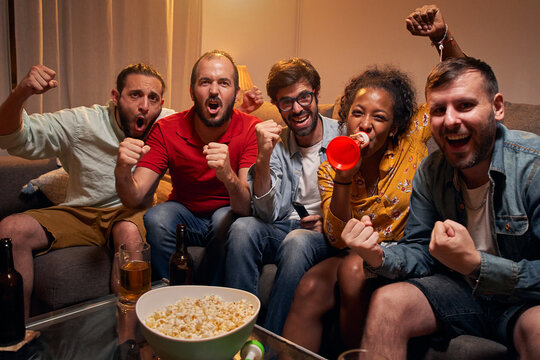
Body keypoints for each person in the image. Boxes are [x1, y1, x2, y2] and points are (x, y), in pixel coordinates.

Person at [281, 5, 465, 354]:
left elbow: (455, 82)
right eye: (357, 113)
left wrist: (441, 37)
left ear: (394, 126)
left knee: (352, 269)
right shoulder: (329, 169)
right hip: (356, 251)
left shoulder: (411, 140)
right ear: (344, 117)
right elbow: (336, 238)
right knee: (309, 288)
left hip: (407, 253)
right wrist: (344, 180)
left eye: (379, 117)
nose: (365, 124)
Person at [345, 57, 540, 359]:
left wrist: (477, 264)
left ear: (497, 108)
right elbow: (420, 249)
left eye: (465, 106)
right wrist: (377, 256)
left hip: (523, 301)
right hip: (460, 292)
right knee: (387, 301)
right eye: (438, 110)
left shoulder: (533, 167)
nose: (449, 120)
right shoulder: (430, 170)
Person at [0, 63, 173, 318]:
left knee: (128, 233)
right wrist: (21, 93)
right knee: (11, 230)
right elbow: (10, 138)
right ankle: (18, 338)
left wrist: (243, 110)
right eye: (135, 95)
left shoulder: (167, 121)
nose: (144, 106)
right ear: (115, 97)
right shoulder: (82, 123)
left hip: (130, 212)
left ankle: (129, 336)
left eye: (153, 98)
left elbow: (207, 128)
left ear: (161, 103)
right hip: (81, 212)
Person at [114, 50, 262, 284]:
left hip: (228, 214)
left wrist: (227, 176)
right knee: (157, 216)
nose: (214, 90)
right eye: (205, 82)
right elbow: (134, 197)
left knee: (225, 217)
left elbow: (246, 208)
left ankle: (208, 295)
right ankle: (170, 294)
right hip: (185, 215)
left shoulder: (252, 129)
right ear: (192, 92)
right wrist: (122, 169)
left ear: (235, 94)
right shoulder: (167, 129)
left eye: (224, 83)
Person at [220, 57, 341, 335]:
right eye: (286, 102)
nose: (297, 109)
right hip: (283, 225)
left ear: (317, 93)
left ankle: (270, 347)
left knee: (298, 242)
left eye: (304, 97)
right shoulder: (277, 142)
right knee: (242, 227)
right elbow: (265, 213)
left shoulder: (343, 136)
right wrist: (263, 157)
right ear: (277, 105)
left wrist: (331, 224)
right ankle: (236, 335)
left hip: (324, 234)